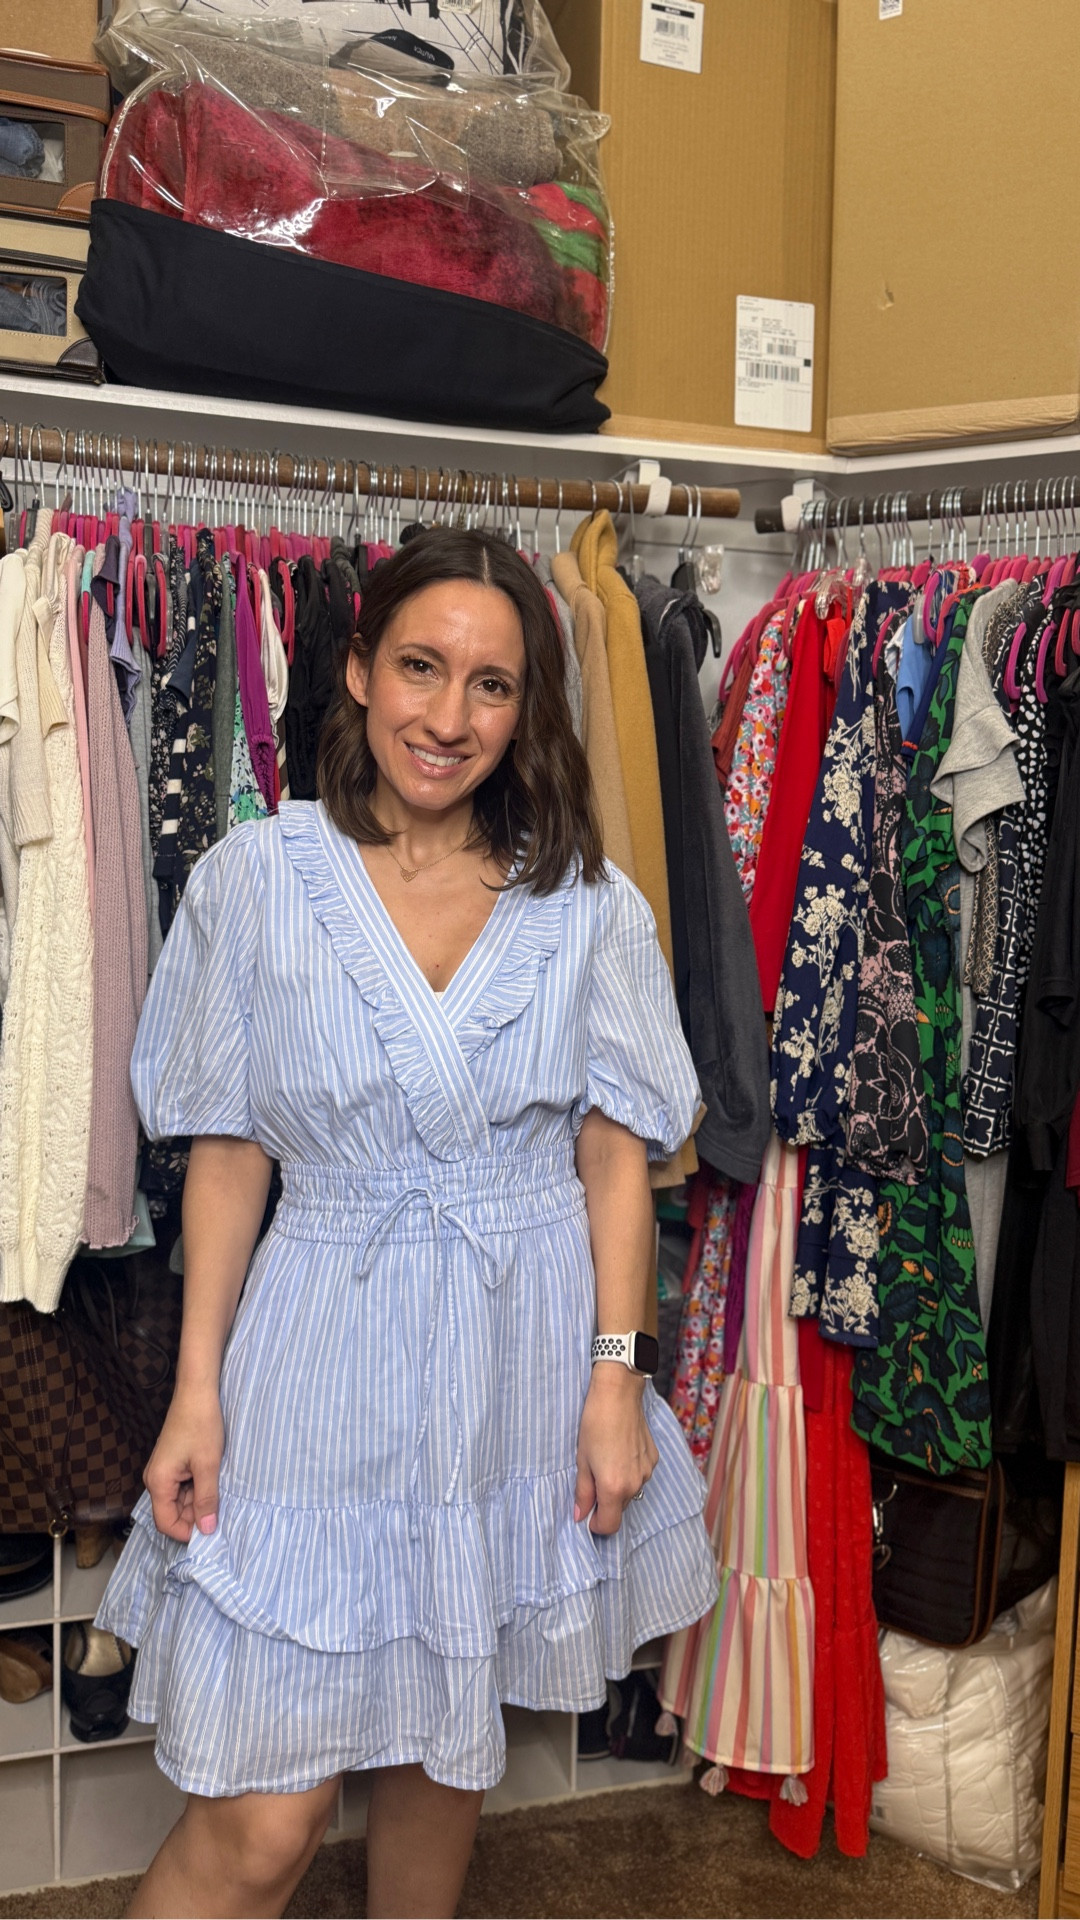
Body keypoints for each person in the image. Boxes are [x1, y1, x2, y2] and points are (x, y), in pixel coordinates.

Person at [96, 528, 717, 1919]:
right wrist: (197, 1392)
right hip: (320, 1334)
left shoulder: (587, 907)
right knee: (263, 1823)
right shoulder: (256, 883)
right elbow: (228, 1150)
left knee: (449, 1747)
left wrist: (615, 1379)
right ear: (361, 671)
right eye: (422, 669)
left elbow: (617, 1155)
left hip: (518, 1349)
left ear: (529, 705)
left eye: (492, 685)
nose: (450, 718)